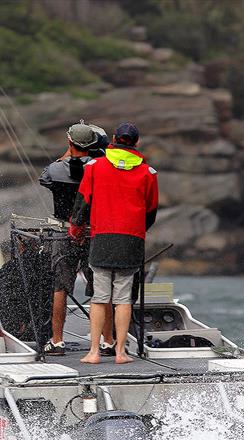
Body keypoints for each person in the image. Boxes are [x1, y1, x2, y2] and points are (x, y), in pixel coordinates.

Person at [69, 122, 159, 364]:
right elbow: (150, 212)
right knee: (123, 299)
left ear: (113, 138)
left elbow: (82, 202)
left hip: (103, 238)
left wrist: (75, 229)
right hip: (131, 240)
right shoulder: (148, 173)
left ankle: (94, 352)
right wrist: (138, 232)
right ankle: (120, 352)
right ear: (137, 142)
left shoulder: (95, 167)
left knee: (100, 298)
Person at [39, 121, 112, 354]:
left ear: (69, 142)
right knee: (101, 289)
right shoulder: (100, 168)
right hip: (95, 232)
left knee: (60, 288)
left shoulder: (55, 169)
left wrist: (66, 154)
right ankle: (107, 341)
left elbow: (44, 179)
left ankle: (57, 341)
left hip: (63, 232)